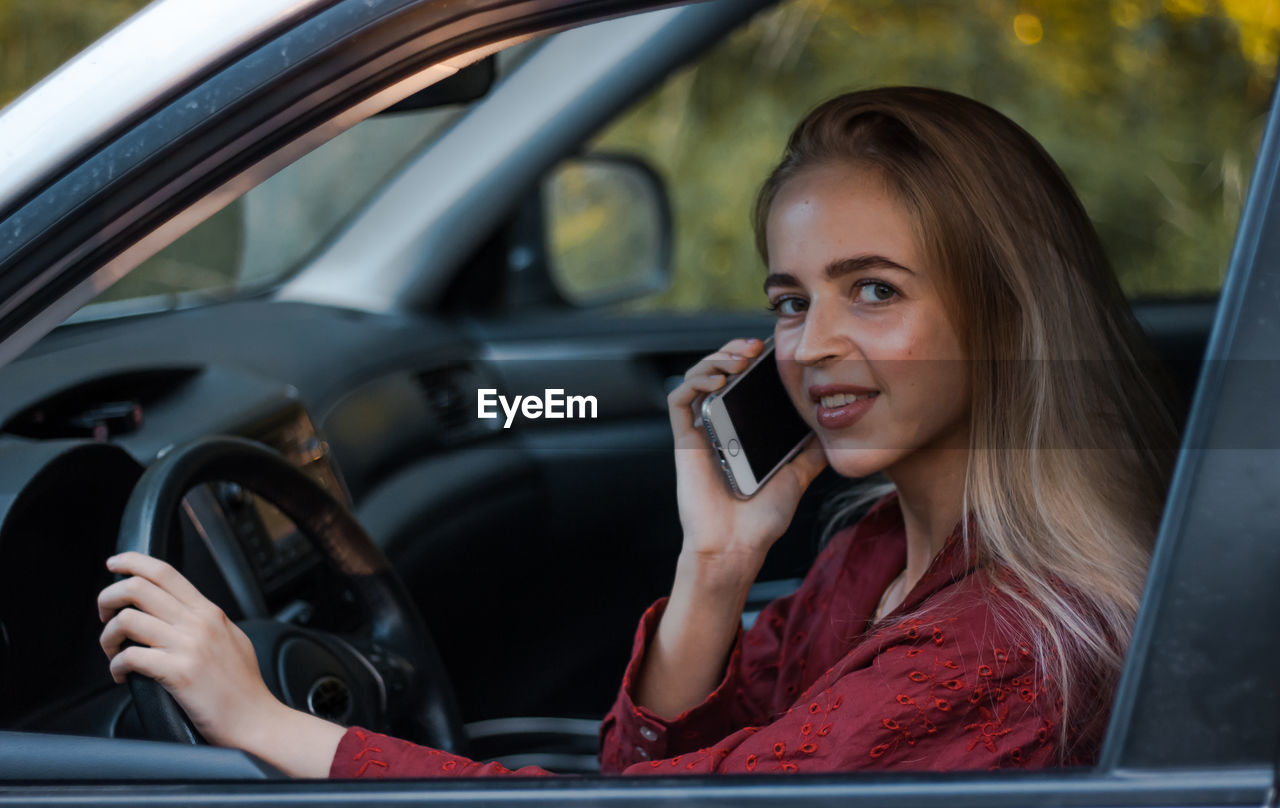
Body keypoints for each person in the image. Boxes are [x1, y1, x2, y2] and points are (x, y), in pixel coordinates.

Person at [96, 86, 1179, 778]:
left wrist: (273, 723)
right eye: (792, 300)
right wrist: (714, 564)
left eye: (875, 292)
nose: (807, 348)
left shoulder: (1000, 650)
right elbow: (643, 770)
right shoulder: (879, 548)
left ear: (1004, 318)